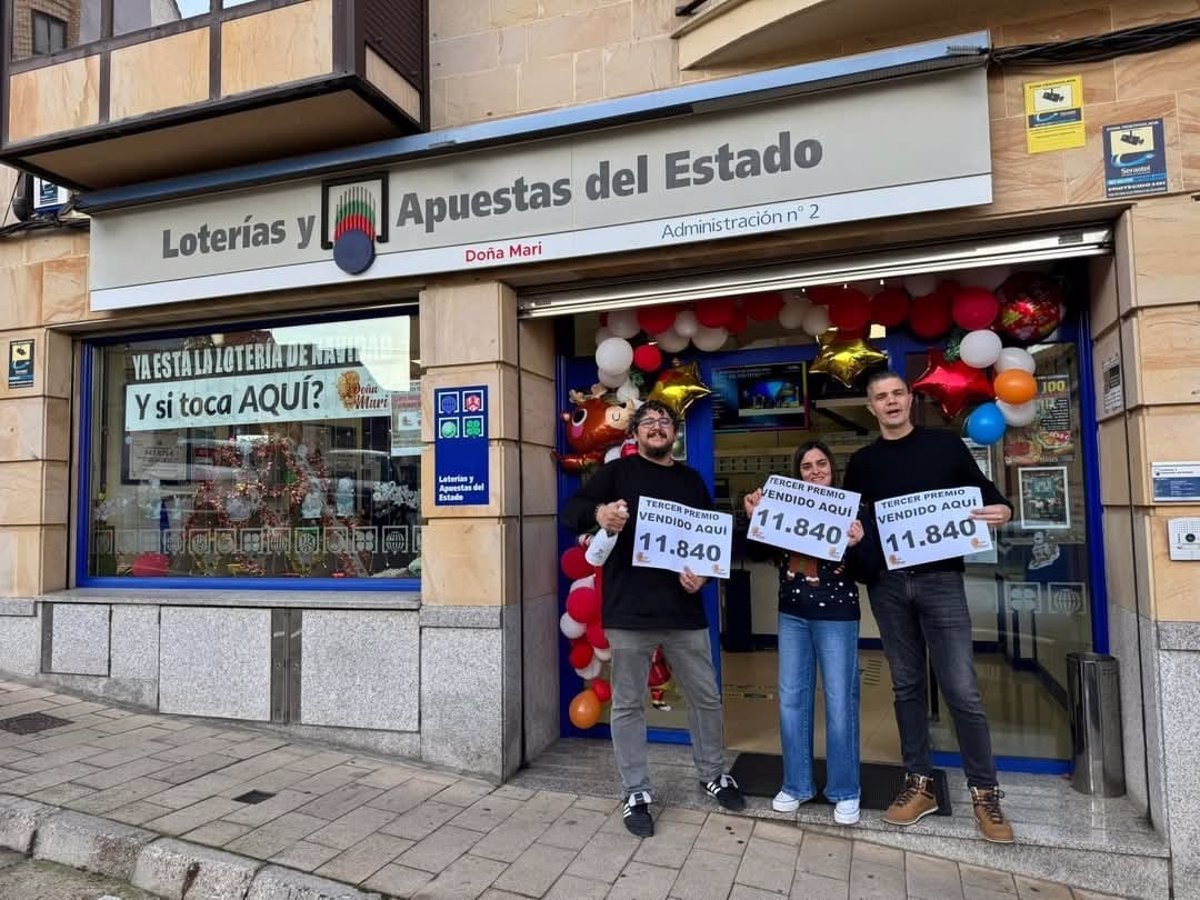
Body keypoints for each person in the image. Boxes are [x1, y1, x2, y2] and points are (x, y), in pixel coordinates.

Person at [843, 370, 1015, 843]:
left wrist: (1003, 510)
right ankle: (919, 784)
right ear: (871, 407)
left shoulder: (945, 447)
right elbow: (856, 528)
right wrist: (859, 550)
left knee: (962, 690)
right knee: (906, 687)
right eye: (881, 396)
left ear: (910, 400)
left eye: (898, 393)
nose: (891, 402)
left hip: (941, 581)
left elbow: (988, 497)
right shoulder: (862, 463)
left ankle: (985, 793)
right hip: (889, 586)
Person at [561, 399, 745, 838]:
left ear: (674, 434)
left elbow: (712, 540)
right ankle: (636, 791)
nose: (658, 427)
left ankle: (712, 773)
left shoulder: (691, 479)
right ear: (636, 433)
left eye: (666, 421)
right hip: (629, 611)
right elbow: (572, 511)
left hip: (684, 611)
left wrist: (703, 574)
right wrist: (598, 514)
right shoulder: (617, 475)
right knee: (627, 705)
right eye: (650, 421)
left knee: (706, 698)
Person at [743, 440, 870, 825]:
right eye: (806, 467)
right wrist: (754, 518)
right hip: (793, 615)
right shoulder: (783, 507)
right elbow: (758, 553)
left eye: (821, 464)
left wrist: (859, 543)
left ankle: (845, 789)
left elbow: (869, 570)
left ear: (833, 468)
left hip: (838, 616)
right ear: (798, 474)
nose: (815, 471)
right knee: (791, 700)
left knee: (840, 701)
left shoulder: (853, 511)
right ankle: (796, 784)